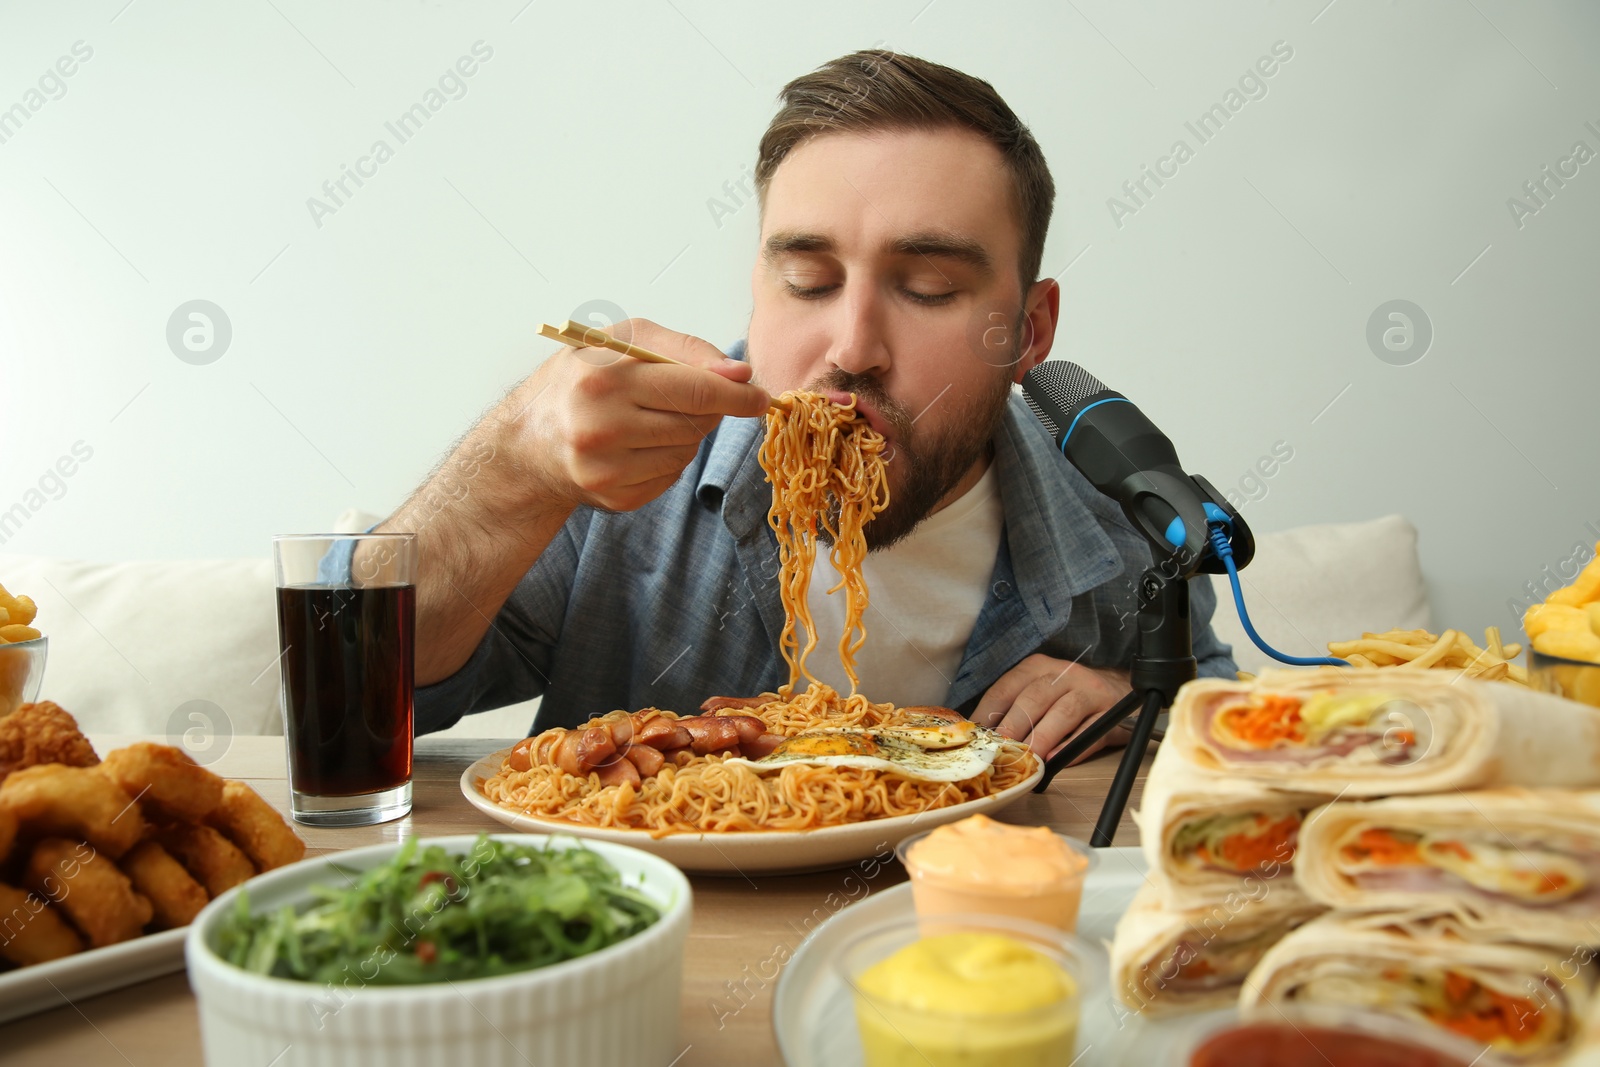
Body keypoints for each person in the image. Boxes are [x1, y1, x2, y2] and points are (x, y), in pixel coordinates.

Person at [378, 50, 1236, 761]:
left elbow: (1229, 716)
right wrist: (514, 457)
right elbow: (354, 694)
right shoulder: (610, 474)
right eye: (808, 281)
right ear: (756, 290)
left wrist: (1143, 708)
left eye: (929, 288)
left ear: (1028, 330)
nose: (852, 345)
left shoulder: (1126, 524)